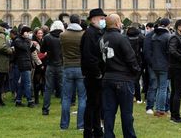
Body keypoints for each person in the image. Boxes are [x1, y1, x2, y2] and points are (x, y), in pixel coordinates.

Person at [101, 14, 140, 138]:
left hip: (107, 77)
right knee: (127, 113)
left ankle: (108, 135)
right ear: (117, 24)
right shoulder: (122, 38)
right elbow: (131, 58)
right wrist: (136, 72)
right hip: (123, 78)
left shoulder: (102, 38)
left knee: (108, 112)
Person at [81, 8, 107, 138]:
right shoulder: (90, 33)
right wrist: (97, 73)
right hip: (93, 75)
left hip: (97, 73)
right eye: (101, 18)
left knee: (97, 104)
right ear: (93, 19)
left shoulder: (97, 32)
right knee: (92, 104)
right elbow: (89, 56)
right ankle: (88, 131)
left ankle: (96, 129)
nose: (103, 21)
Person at [60, 15, 86, 130]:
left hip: (67, 67)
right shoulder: (83, 35)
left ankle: (64, 126)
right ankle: (81, 125)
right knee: (82, 97)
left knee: (66, 98)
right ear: (79, 21)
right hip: (81, 67)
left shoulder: (63, 35)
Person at [145, 18, 171, 117]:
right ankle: (160, 109)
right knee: (163, 88)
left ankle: (156, 108)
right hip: (164, 65)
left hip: (155, 65)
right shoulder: (167, 36)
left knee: (157, 87)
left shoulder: (154, 36)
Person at [41, 21, 64, 115]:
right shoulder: (63, 36)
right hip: (60, 65)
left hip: (50, 64)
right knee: (63, 87)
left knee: (48, 88)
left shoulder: (47, 37)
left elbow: (42, 50)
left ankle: (45, 109)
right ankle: (64, 108)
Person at [13, 26, 37, 108]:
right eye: (27, 32)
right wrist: (29, 42)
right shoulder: (18, 41)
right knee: (28, 83)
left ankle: (18, 101)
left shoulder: (25, 41)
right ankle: (30, 101)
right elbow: (24, 47)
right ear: (23, 32)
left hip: (27, 63)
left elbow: (28, 51)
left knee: (23, 83)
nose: (29, 34)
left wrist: (33, 46)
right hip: (23, 64)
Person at [126, 25, 144, 104]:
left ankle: (131, 96)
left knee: (130, 80)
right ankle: (138, 97)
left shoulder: (125, 39)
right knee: (136, 80)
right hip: (138, 61)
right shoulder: (140, 39)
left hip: (128, 61)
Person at [32, 28, 46, 104]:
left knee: (43, 80)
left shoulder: (43, 41)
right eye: (39, 33)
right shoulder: (33, 43)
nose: (40, 34)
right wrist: (44, 55)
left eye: (41, 33)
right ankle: (36, 99)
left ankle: (42, 94)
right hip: (37, 64)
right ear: (36, 34)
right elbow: (35, 55)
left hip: (44, 63)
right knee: (36, 81)